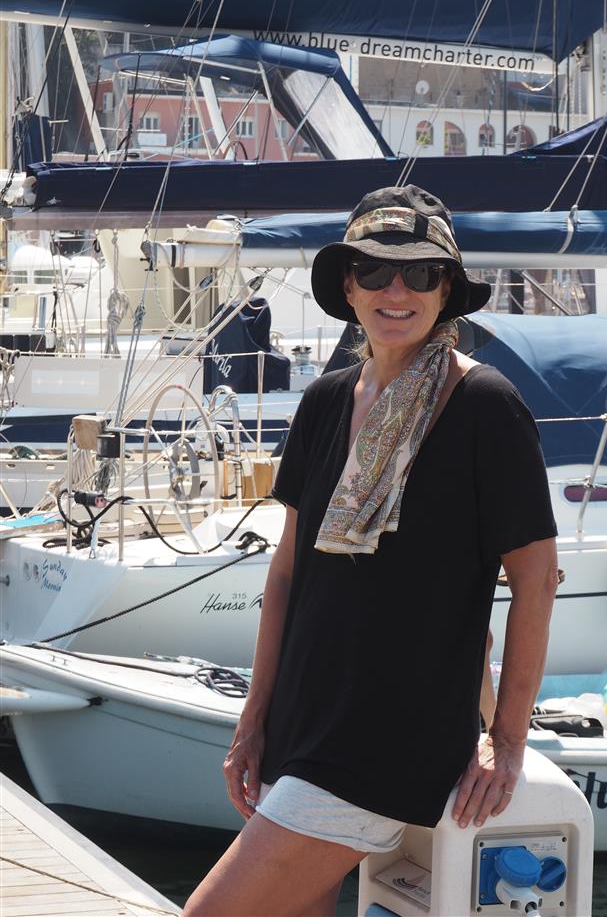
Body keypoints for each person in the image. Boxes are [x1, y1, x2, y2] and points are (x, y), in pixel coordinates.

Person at [184, 185, 558, 917]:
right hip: (303, 722)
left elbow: (536, 579)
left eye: (421, 273)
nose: (397, 290)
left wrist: (507, 739)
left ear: (446, 292)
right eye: (377, 271)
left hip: (388, 739)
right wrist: (255, 718)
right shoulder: (324, 401)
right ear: (348, 286)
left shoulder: (486, 406)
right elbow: (288, 574)